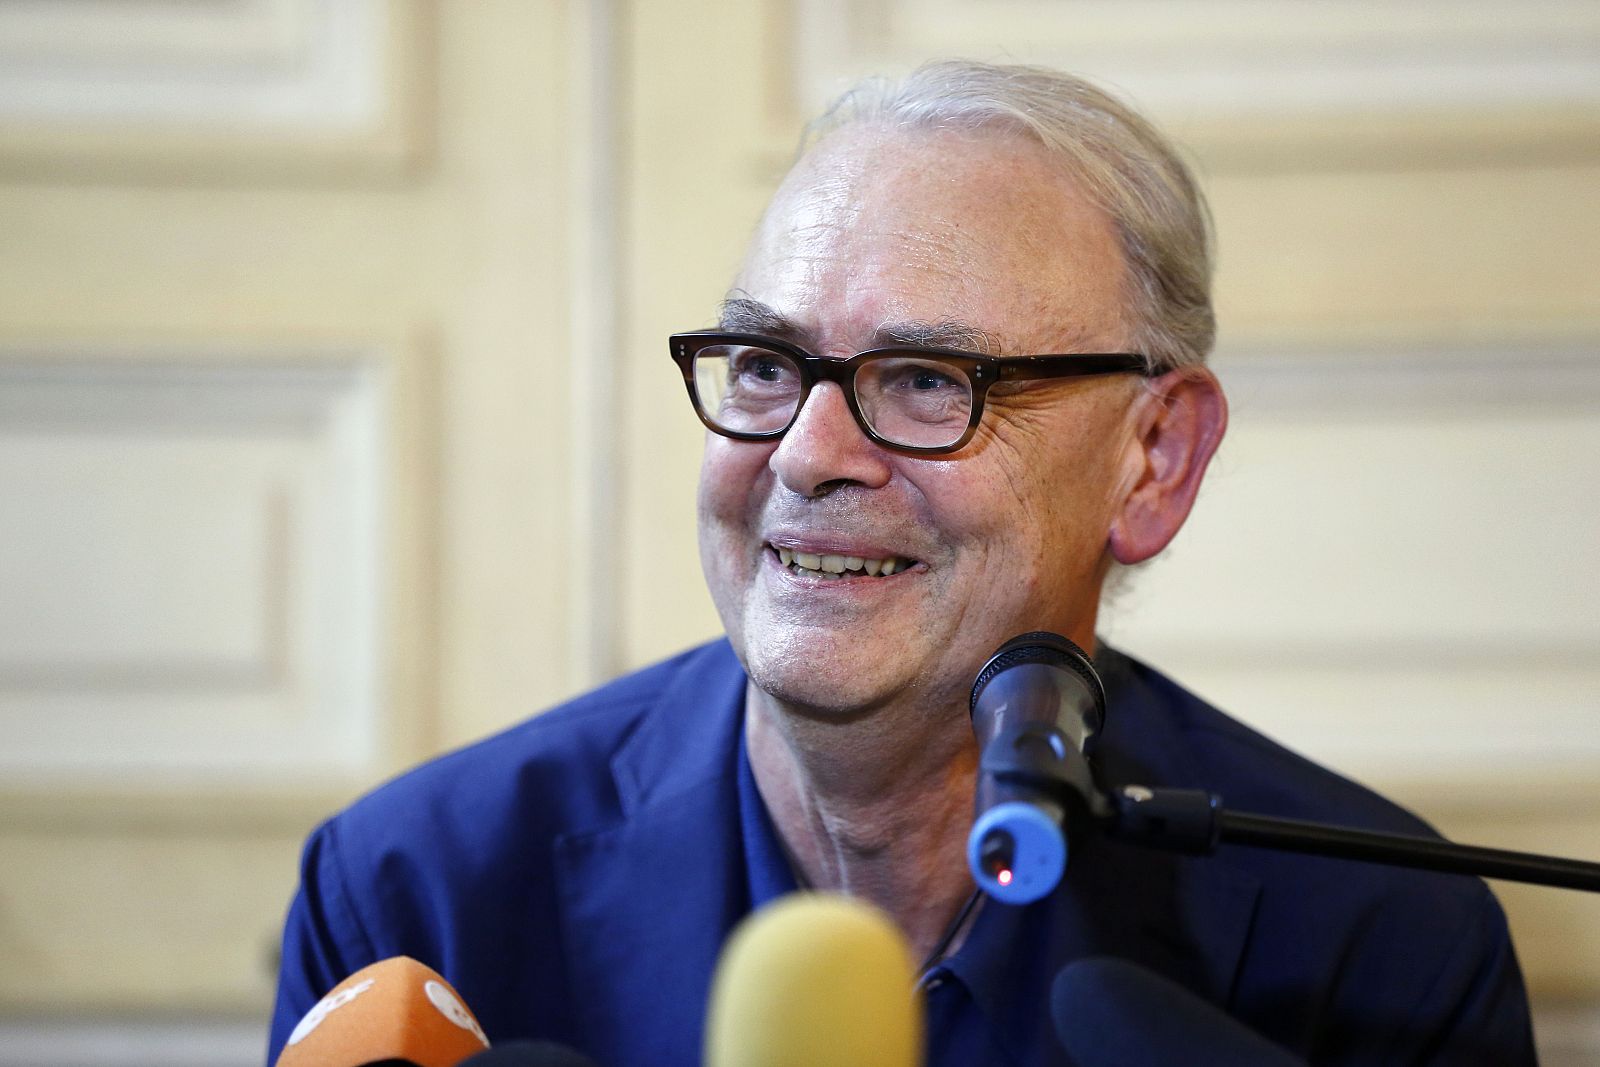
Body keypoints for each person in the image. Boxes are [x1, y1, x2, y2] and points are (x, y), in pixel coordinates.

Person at [268, 61, 1536, 1065]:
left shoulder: (1377, 949)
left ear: (1152, 460)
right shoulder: (414, 893)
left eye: (929, 379)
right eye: (766, 365)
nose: (807, 452)